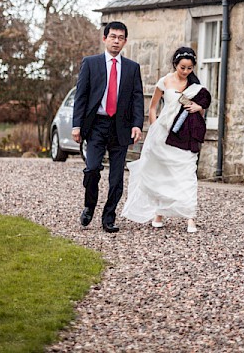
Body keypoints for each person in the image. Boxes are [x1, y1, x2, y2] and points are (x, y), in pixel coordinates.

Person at [122, 47, 210, 233]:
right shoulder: (164, 81)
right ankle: (159, 213)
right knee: (161, 173)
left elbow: (201, 110)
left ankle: (190, 216)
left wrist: (197, 107)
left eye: (189, 68)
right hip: (163, 134)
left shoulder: (196, 88)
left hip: (184, 137)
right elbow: (153, 108)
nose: (186, 71)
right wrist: (154, 129)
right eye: (182, 67)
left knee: (186, 174)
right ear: (175, 65)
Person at [72, 21, 145, 233]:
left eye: (120, 38)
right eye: (112, 36)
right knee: (92, 169)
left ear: (125, 41)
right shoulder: (91, 63)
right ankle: (89, 205)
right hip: (96, 125)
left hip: (120, 127)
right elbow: (81, 97)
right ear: (105, 39)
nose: (116, 41)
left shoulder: (132, 68)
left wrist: (137, 125)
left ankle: (109, 217)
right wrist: (77, 125)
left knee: (116, 177)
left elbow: (137, 98)